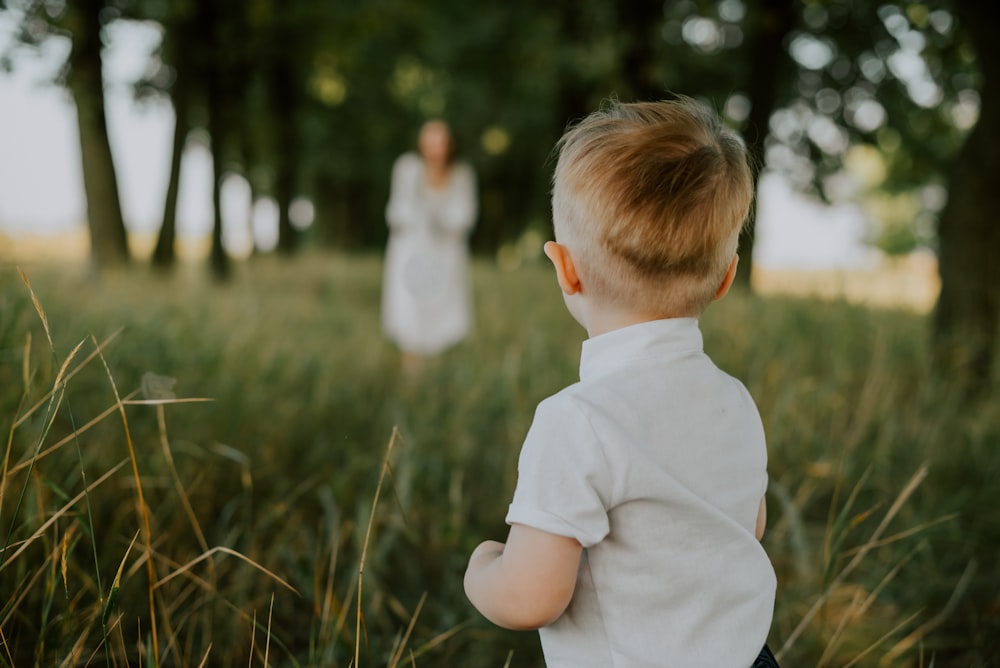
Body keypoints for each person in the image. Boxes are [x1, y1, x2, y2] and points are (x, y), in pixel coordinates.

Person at [464, 97, 779, 667]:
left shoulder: (578, 421)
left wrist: (483, 567)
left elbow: (530, 596)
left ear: (565, 267)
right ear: (726, 277)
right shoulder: (736, 400)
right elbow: (747, 526)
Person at [381, 120, 478, 366]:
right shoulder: (407, 168)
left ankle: (440, 366)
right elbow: (396, 213)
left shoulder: (462, 173)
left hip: (447, 257)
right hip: (411, 252)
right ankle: (412, 365)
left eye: (441, 141)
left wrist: (438, 220)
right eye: (430, 141)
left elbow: (466, 217)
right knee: (411, 307)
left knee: (442, 309)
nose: (436, 148)